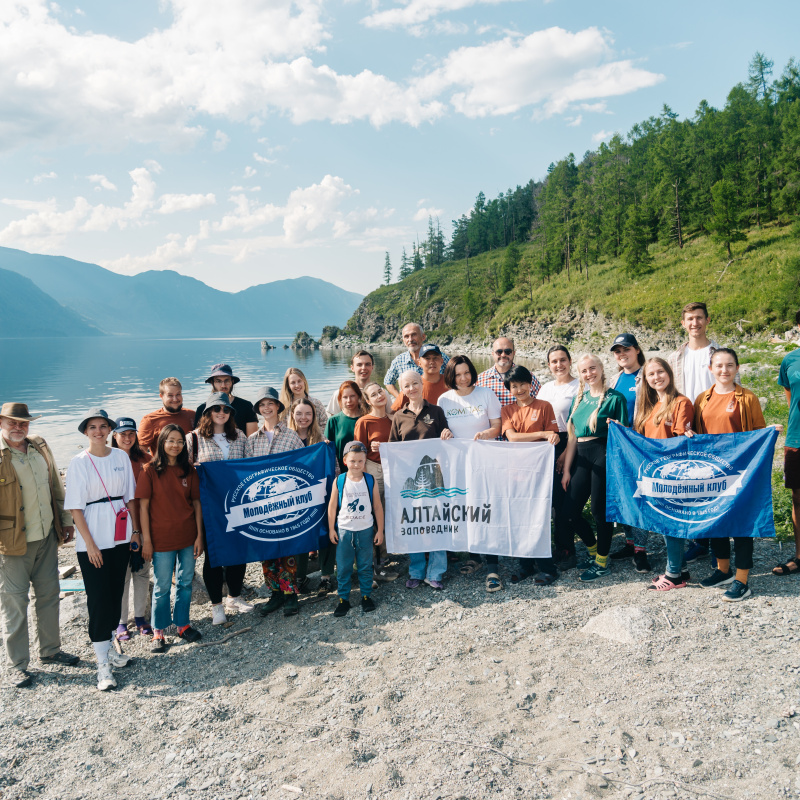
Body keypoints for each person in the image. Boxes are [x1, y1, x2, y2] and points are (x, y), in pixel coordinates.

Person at [0, 403, 79, 689]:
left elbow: (56, 486)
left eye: (24, 422)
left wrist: (66, 520)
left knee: (49, 595)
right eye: (13, 422)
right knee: (15, 604)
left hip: (46, 536)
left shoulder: (39, 448)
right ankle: (18, 665)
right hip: (12, 544)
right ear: (1, 422)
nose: (19, 427)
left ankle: (50, 651)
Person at [689, 348, 775, 601]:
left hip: (741, 472)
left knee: (741, 524)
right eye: (719, 366)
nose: (724, 370)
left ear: (737, 368)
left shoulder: (747, 398)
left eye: (729, 365)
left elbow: (758, 433)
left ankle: (742, 580)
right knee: (716, 520)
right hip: (712, 471)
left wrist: (770, 432)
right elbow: (698, 433)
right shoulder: (702, 398)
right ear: (710, 369)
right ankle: (723, 570)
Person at [64, 409, 137, 691]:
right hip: (93, 541)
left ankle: (109, 651)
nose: (98, 431)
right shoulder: (79, 462)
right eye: (92, 427)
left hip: (119, 538)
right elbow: (75, 507)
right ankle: (102, 664)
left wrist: (135, 532)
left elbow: (129, 498)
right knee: (97, 598)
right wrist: (90, 544)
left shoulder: (120, 457)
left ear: (110, 430)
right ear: (85, 432)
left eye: (103, 426)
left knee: (115, 593)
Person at [624, 359, 695, 591]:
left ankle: (673, 575)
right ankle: (681, 570)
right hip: (655, 474)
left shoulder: (681, 402)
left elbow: (678, 441)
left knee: (670, 523)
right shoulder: (653, 406)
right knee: (666, 523)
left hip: (672, 474)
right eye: (651, 374)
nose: (656, 377)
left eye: (660, 372)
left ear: (669, 373)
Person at [437, 355, 502, 590]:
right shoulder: (444, 399)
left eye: (466, 373)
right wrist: (444, 433)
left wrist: (487, 433)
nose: (463, 378)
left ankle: (493, 565)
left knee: (486, 509)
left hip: (484, 462)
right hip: (458, 465)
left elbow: (498, 426)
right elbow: (442, 430)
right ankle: (474, 557)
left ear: (472, 372)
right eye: (457, 374)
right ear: (451, 377)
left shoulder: (486, 394)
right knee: (467, 509)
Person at [136, 424, 204, 651]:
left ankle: (183, 625)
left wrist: (199, 537)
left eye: (180, 441)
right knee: (162, 586)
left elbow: (196, 504)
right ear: (162, 442)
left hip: (187, 537)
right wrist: (146, 540)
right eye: (171, 440)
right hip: (161, 540)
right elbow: (143, 507)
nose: (175, 445)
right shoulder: (149, 470)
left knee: (185, 583)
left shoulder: (189, 470)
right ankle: (159, 630)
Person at [561, 355, 628, 582]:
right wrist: (568, 470)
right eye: (584, 371)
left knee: (601, 513)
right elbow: (572, 438)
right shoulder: (579, 399)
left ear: (601, 368)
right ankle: (592, 550)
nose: (589, 373)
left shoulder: (615, 398)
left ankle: (602, 562)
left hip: (603, 454)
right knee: (569, 512)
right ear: (579, 374)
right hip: (580, 456)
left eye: (592, 368)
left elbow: (623, 434)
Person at [187, 393, 252, 626]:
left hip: (237, 503)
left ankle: (234, 596)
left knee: (238, 551)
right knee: (213, 556)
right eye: (217, 409)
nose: (222, 413)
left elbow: (250, 467)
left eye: (226, 410)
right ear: (208, 412)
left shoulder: (240, 436)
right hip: (209, 506)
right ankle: (216, 607)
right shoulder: (193, 439)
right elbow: (182, 472)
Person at [667, 303, 721, 564]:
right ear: (683, 323)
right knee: (690, 480)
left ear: (707, 320)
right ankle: (698, 541)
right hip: (685, 423)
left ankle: (717, 545)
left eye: (699, 318)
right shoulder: (676, 356)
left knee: (714, 480)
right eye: (690, 319)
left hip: (713, 420)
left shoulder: (718, 353)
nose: (695, 323)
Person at [245, 387, 306, 616]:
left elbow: (303, 464)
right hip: (261, 505)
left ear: (278, 407)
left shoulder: (291, 435)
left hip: (286, 502)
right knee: (267, 549)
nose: (267, 408)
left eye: (270, 403)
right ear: (258, 410)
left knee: (287, 549)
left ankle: (290, 594)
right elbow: (246, 471)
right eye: (262, 405)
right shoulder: (252, 441)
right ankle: (275, 593)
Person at [500, 365, 562, 585]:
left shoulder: (545, 406)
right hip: (516, 473)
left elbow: (554, 436)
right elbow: (512, 438)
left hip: (540, 474)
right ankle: (525, 565)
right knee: (519, 519)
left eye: (522, 384)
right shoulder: (507, 410)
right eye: (513, 386)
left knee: (540, 518)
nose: (519, 389)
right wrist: (542, 434)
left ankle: (547, 567)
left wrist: (551, 436)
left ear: (530, 384)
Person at [389, 370, 451, 589]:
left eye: (415, 383)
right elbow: (393, 450)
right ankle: (416, 570)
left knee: (436, 524)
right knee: (413, 525)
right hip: (408, 479)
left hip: (434, 477)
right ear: (403, 390)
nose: (412, 388)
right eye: (407, 386)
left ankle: (435, 572)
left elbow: (447, 440)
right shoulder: (398, 416)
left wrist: (447, 435)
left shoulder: (436, 410)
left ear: (421, 384)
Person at [607, 333, 651, 572]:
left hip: (641, 445)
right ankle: (629, 542)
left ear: (636, 350)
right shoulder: (614, 380)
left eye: (626, 349)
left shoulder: (647, 375)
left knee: (640, 495)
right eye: (617, 351)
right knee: (624, 492)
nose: (622, 354)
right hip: (619, 446)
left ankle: (642, 550)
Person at [327, 441, 384, 617]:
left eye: (360, 461)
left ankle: (366, 596)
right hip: (344, 531)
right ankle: (343, 599)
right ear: (345, 461)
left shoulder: (370, 480)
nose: (357, 464)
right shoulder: (340, 480)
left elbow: (377, 506)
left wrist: (380, 530)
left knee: (365, 565)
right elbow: (332, 506)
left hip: (365, 530)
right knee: (343, 567)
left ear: (365, 460)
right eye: (352, 461)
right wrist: (332, 529)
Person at [536, 346, 580, 570]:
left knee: (565, 500)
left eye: (563, 360)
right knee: (551, 501)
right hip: (548, 444)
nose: (559, 365)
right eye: (554, 361)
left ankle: (568, 550)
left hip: (570, 442)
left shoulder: (578, 386)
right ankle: (556, 547)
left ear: (570, 361)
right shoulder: (545, 389)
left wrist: (564, 453)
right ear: (549, 365)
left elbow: (576, 422)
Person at [110, 417, 152, 640]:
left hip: (144, 521)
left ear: (136, 436)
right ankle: (121, 621)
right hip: (118, 524)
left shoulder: (145, 459)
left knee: (142, 571)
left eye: (131, 433)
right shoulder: (107, 458)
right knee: (122, 573)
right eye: (122, 433)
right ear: (114, 436)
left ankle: (140, 617)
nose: (127, 438)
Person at [354, 383, 398, 582]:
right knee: (374, 515)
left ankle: (385, 557)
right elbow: (358, 453)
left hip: (395, 471)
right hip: (375, 470)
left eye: (380, 391)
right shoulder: (364, 421)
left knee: (390, 513)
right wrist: (363, 480)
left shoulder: (395, 417)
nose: (379, 395)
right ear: (368, 401)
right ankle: (372, 565)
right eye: (373, 394)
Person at [287, 397, 332, 592]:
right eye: (299, 413)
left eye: (308, 413)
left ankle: (326, 575)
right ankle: (300, 576)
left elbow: (333, 467)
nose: (303, 418)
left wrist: (328, 450)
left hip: (319, 494)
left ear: (314, 416)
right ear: (292, 415)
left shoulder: (321, 438)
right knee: (299, 533)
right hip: (294, 498)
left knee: (324, 531)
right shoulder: (286, 439)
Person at [774, 309, 800, 576]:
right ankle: (799, 556)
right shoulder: (790, 360)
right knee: (797, 498)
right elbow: (790, 396)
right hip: (797, 437)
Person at [383, 323, 449, 400]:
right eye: (406, 336)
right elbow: (388, 382)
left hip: (437, 405)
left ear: (423, 337)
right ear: (403, 340)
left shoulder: (440, 358)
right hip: (412, 407)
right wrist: (401, 399)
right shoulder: (398, 361)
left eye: (414, 335)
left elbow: (455, 376)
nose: (410, 340)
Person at [193, 364, 258, 436]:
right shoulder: (202, 409)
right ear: (212, 383)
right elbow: (198, 438)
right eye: (218, 381)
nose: (223, 385)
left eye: (226, 381)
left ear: (232, 382)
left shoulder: (246, 406)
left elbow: (252, 441)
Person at [476, 337, 541, 408]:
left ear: (514, 353)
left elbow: (540, 402)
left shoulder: (527, 376)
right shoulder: (480, 380)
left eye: (508, 351)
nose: (503, 355)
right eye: (499, 352)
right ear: (493, 354)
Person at [139, 377, 195, 455]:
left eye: (178, 394)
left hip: (189, 466)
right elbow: (141, 452)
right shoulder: (150, 420)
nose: (175, 399)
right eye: (170, 395)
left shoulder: (192, 415)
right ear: (161, 396)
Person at [391, 344, 449, 411]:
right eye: (427, 358)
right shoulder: (413, 387)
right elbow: (392, 413)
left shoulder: (451, 383)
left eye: (435, 358)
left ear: (441, 361)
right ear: (419, 363)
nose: (432, 362)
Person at [325, 381, 365, 472]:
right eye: (345, 397)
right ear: (340, 399)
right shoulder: (333, 421)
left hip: (364, 470)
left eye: (352, 396)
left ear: (358, 396)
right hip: (341, 472)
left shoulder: (366, 419)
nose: (349, 401)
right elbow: (328, 450)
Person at [327, 351, 377, 416]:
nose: (364, 368)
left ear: (372, 367)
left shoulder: (381, 394)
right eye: (359, 365)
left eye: (367, 364)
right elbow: (334, 422)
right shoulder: (339, 394)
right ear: (352, 368)